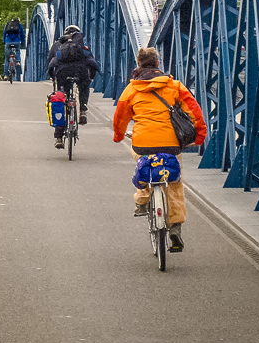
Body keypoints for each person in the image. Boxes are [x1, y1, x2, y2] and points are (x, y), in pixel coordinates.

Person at [112, 47, 207, 253]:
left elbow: (120, 118)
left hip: (143, 142)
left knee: (143, 163)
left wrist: (118, 136)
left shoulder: (131, 89)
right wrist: (199, 137)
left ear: (138, 65)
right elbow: (195, 113)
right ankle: (175, 229)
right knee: (174, 183)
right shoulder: (174, 86)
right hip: (170, 144)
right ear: (157, 64)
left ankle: (142, 199)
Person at [47, 25, 100, 148]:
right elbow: (91, 62)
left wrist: (52, 76)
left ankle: (59, 137)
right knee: (84, 86)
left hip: (62, 73)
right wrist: (90, 78)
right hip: (80, 72)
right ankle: (82, 110)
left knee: (60, 100)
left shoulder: (57, 44)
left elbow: (50, 61)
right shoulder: (81, 44)